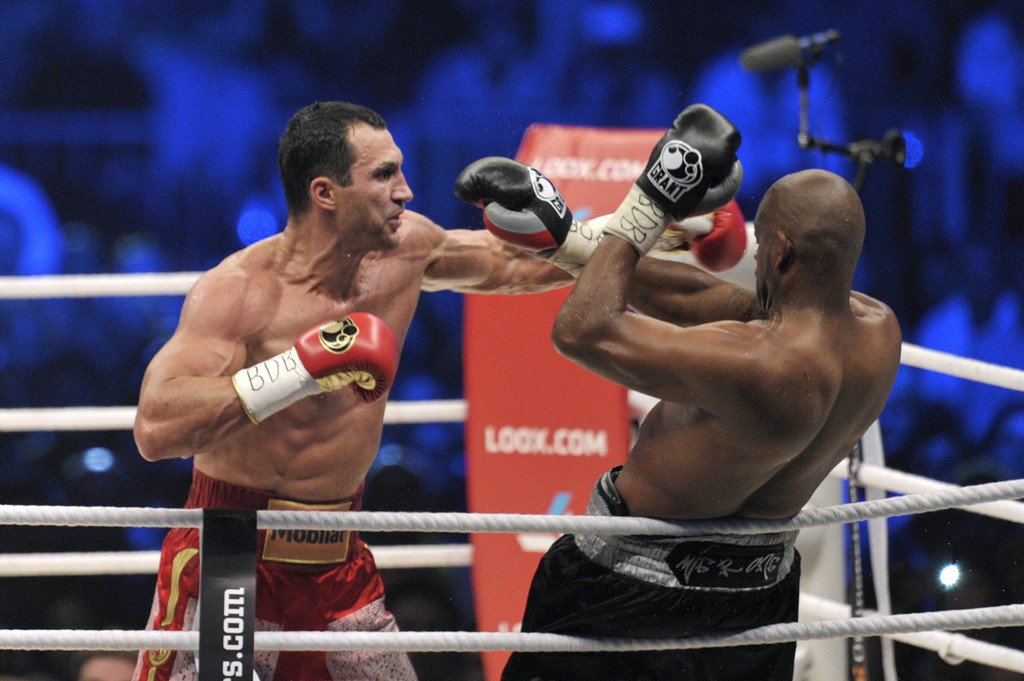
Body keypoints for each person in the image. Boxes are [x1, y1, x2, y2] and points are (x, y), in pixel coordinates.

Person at [130, 101, 575, 681]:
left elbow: (516, 267)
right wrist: (298, 369)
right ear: (325, 193)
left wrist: (641, 222)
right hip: (230, 554)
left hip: (338, 561)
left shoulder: (407, 250)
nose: (406, 191)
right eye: (384, 174)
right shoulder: (241, 292)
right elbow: (155, 428)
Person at [493, 110, 902, 680]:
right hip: (757, 599)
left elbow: (582, 330)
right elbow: (702, 299)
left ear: (780, 251)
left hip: (631, 589)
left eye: (763, 245)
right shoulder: (878, 333)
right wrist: (570, 240)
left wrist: (652, 199)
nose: (754, 259)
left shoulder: (762, 363)